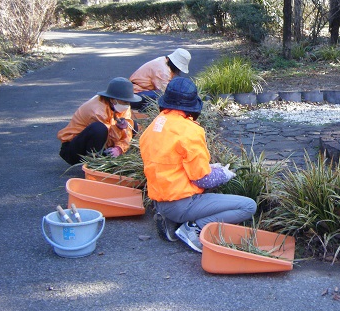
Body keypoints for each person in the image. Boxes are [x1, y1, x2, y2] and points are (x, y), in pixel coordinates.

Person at [139, 77, 257, 252]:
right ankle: (193, 228)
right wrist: (223, 174)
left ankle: (169, 220)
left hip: (160, 200)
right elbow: (202, 179)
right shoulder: (190, 131)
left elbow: (174, 165)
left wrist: (211, 168)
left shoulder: (156, 124)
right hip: (181, 203)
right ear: (192, 105)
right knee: (248, 206)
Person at [58, 77, 142, 166]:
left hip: (102, 142)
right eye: (125, 102)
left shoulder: (122, 106)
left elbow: (126, 132)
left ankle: (106, 158)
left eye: (128, 102)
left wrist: (120, 148)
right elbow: (110, 136)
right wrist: (120, 131)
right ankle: (95, 163)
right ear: (113, 99)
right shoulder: (98, 110)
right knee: (99, 128)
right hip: (74, 149)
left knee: (132, 125)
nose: (127, 105)